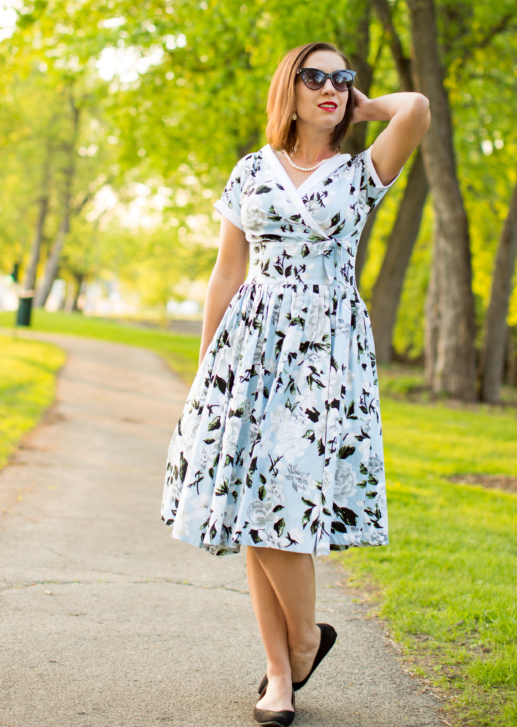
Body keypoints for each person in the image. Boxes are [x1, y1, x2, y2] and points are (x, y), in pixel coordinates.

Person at [162, 41, 430, 726]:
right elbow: (226, 272)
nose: (330, 88)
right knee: (255, 507)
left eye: (341, 79)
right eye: (314, 78)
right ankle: (280, 675)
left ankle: (306, 639)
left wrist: (363, 107)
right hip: (249, 349)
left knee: (285, 492)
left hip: (323, 352)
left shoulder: (361, 171)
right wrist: (206, 375)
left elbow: (418, 108)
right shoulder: (251, 171)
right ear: (289, 86)